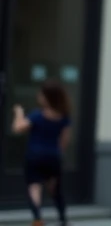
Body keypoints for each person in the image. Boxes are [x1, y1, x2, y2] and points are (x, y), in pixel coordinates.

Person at [12, 80, 72, 226]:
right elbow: (64, 140)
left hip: (35, 156)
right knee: (55, 189)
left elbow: (17, 128)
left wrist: (18, 113)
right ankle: (62, 219)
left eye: (42, 94)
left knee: (34, 186)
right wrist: (58, 154)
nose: (39, 96)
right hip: (53, 157)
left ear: (47, 97)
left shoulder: (37, 116)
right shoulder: (63, 117)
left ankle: (37, 218)